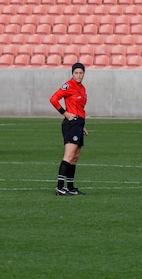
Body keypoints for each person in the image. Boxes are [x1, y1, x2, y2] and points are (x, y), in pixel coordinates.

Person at [50, 62, 88, 196]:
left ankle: (70, 187)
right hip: (71, 124)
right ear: (72, 74)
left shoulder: (82, 88)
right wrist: (64, 113)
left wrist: (82, 126)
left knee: (75, 157)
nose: (78, 75)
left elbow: (80, 109)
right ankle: (60, 187)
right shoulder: (68, 85)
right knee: (69, 155)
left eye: (81, 73)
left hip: (78, 124)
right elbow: (53, 99)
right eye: (76, 73)